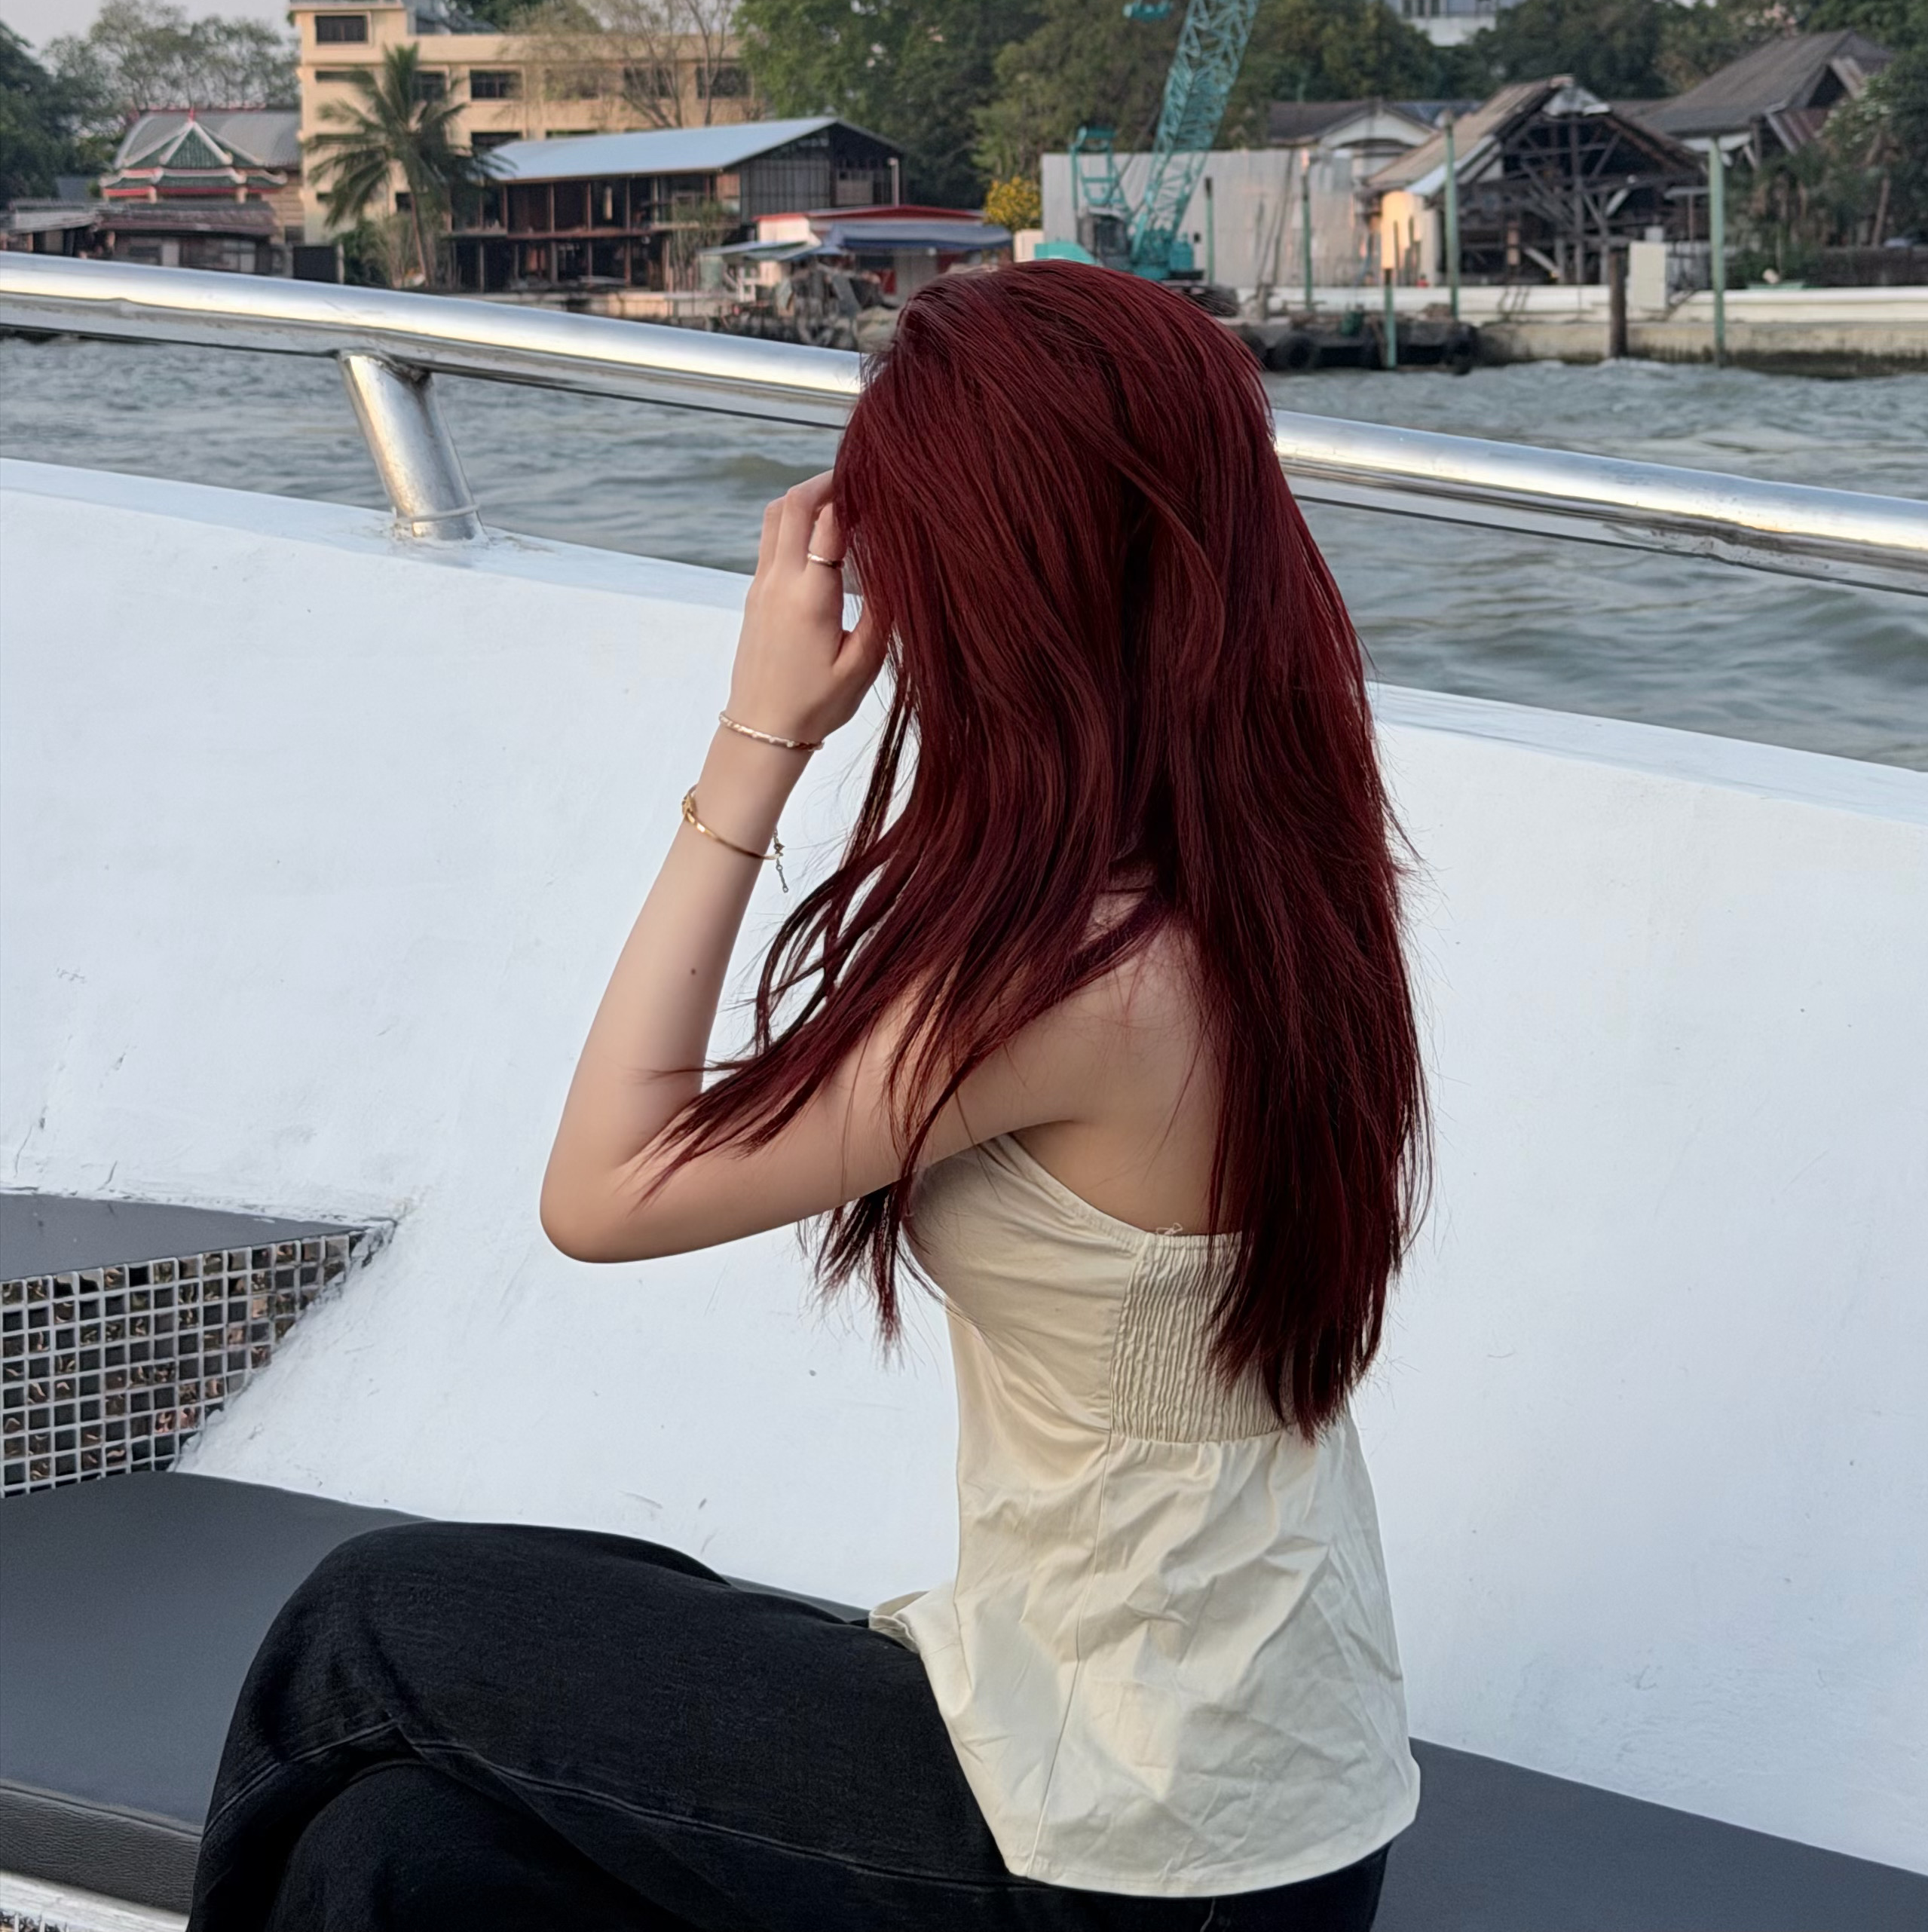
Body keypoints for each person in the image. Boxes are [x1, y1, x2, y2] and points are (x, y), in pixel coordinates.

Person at [189, 259, 1429, 1930]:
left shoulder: (1085, 982)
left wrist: (759, 730)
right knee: (392, 1859)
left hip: (1129, 1850)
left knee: (369, 1623)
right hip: (1215, 1777)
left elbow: (604, 1192)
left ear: (993, 581)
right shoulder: (1275, 869)